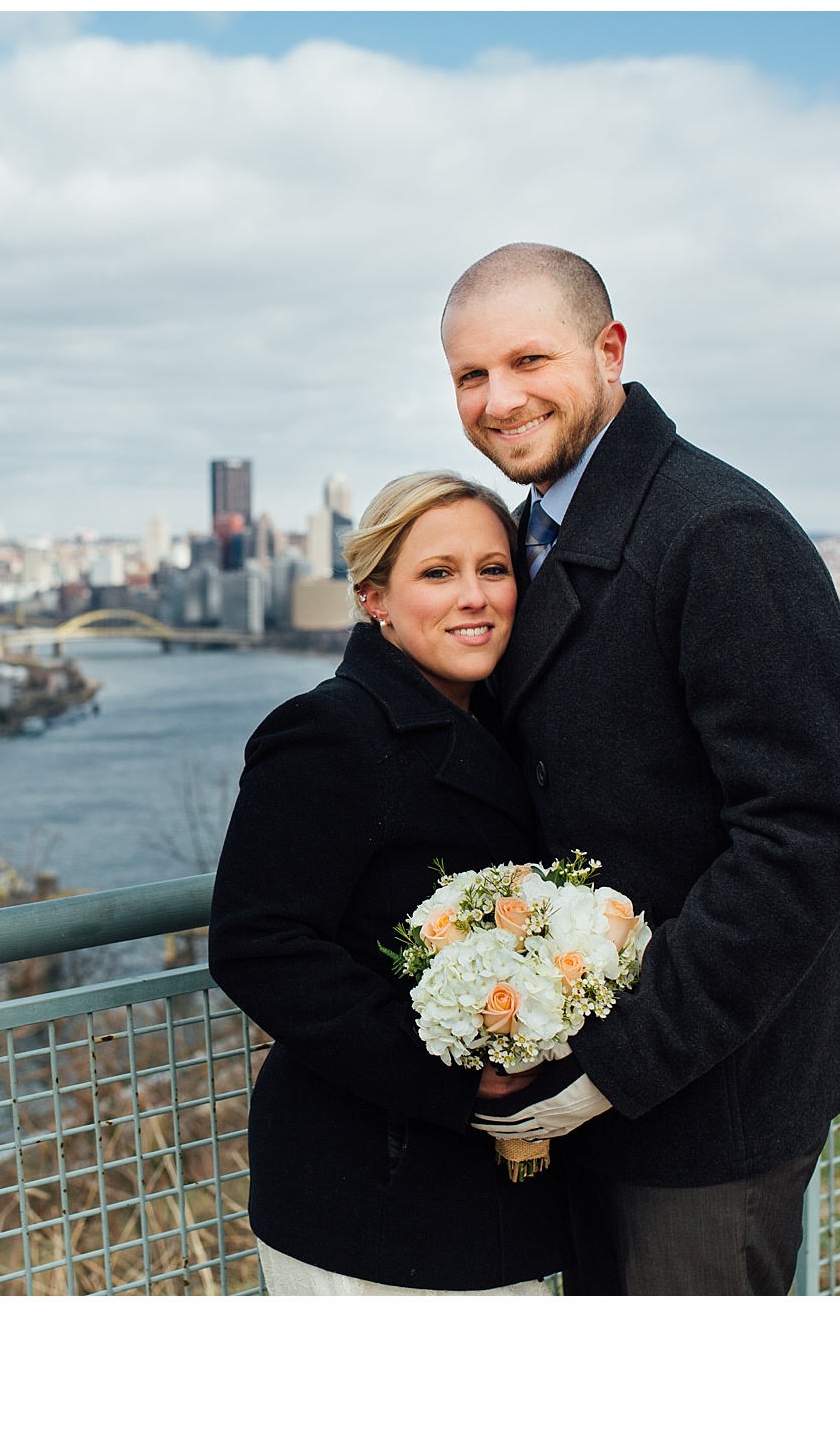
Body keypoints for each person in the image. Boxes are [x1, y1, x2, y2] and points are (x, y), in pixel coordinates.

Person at [440, 242, 840, 1295]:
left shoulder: (717, 532)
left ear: (609, 351)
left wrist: (617, 1064)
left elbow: (806, 835)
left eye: (526, 360)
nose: (497, 400)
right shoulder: (529, 530)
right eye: (468, 375)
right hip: (588, 1075)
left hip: (708, 1092)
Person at [209, 473, 572, 1294]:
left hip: (493, 1189)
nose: (473, 596)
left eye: (494, 568)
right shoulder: (331, 730)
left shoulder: (510, 721)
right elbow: (255, 942)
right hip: (372, 1187)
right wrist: (447, 1067)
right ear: (375, 597)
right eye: (438, 573)